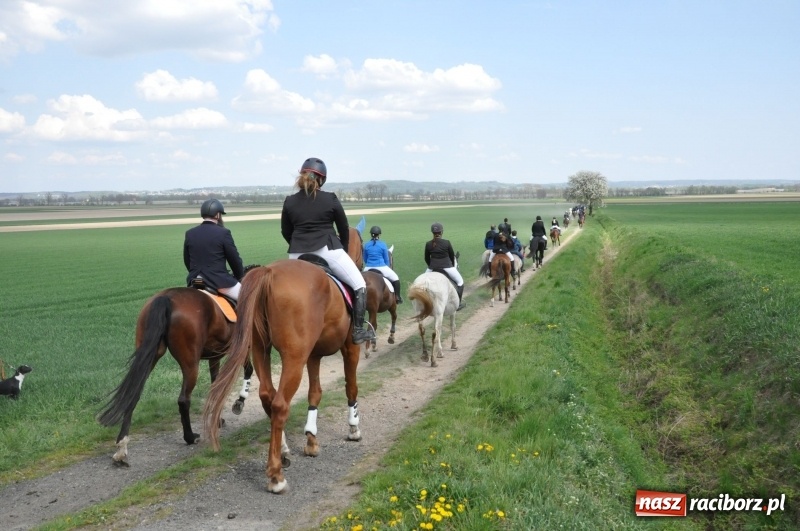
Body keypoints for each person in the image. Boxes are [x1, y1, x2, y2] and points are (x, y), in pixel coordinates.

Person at [280, 157, 375, 344]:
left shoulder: (289, 201)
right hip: (327, 250)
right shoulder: (330, 198)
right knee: (359, 285)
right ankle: (358, 331)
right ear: (321, 179)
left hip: (297, 255)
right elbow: (344, 228)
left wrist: (298, 244)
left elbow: (285, 231)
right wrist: (344, 250)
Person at [184, 198, 245, 301]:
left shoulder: (190, 233)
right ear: (217, 215)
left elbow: (187, 260)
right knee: (247, 298)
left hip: (195, 281)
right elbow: (234, 260)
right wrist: (240, 277)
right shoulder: (223, 233)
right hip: (218, 281)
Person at [424, 222, 466, 311]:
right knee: (460, 282)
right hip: (447, 266)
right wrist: (452, 265)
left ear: (432, 233)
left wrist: (431, 266)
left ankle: (424, 303)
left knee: (422, 285)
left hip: (432, 267)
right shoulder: (446, 242)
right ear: (441, 232)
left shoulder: (428, 244)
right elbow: (451, 256)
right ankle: (458, 304)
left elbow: (426, 258)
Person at [362, 225, 403, 304]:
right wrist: (386, 265)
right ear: (379, 235)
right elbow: (386, 259)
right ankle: (397, 297)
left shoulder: (366, 245)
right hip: (381, 266)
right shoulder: (383, 244)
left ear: (371, 234)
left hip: (368, 267)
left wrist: (370, 263)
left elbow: (365, 258)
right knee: (396, 278)